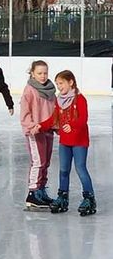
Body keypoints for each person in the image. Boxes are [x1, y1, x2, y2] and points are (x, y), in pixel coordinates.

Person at [33, 70, 96, 216]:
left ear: (71, 82)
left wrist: (72, 125)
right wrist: (40, 126)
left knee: (80, 169)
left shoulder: (80, 99)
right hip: (65, 142)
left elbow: (83, 120)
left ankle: (89, 198)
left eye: (61, 83)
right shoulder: (59, 100)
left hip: (79, 141)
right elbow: (53, 120)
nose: (59, 86)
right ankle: (63, 196)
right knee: (63, 170)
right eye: (57, 84)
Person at [20, 60, 56, 210]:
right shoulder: (29, 90)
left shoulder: (50, 90)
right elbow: (25, 112)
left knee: (46, 162)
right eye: (39, 73)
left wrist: (56, 126)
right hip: (35, 131)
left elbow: (54, 110)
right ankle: (32, 193)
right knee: (38, 161)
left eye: (45, 73)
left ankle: (41, 190)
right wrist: (32, 126)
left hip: (48, 130)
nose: (43, 76)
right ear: (33, 74)